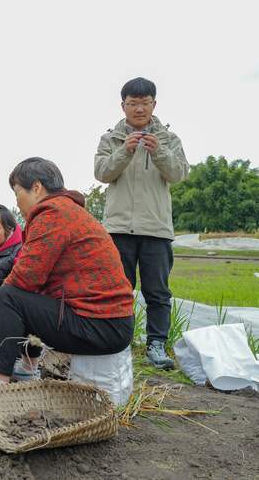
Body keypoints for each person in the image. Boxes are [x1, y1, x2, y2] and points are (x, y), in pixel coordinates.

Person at [0, 158, 134, 386]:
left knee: (8, 297)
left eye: (18, 192)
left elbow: (26, 276)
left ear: (37, 187)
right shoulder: (69, 211)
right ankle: (27, 370)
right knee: (24, 297)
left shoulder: (52, 214)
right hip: (111, 324)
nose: (17, 202)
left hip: (100, 326)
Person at [93, 77, 189, 369]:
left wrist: (157, 149)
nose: (138, 108)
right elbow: (101, 173)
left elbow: (179, 174)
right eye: (132, 103)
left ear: (154, 104)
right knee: (118, 290)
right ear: (123, 106)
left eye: (144, 102)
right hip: (118, 228)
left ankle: (156, 345)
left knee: (157, 292)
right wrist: (126, 150)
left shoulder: (169, 139)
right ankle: (119, 344)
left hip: (156, 229)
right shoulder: (110, 138)